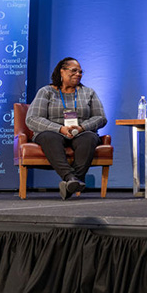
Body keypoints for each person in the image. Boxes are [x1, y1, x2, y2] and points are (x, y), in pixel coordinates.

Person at [26, 57, 107, 200]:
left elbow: (101, 118)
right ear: (62, 72)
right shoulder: (46, 92)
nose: (78, 74)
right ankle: (71, 178)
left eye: (81, 72)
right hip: (52, 132)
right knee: (49, 137)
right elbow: (32, 119)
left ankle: (71, 182)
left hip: (80, 132)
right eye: (74, 70)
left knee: (89, 138)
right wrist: (59, 129)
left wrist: (82, 127)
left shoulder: (88, 92)